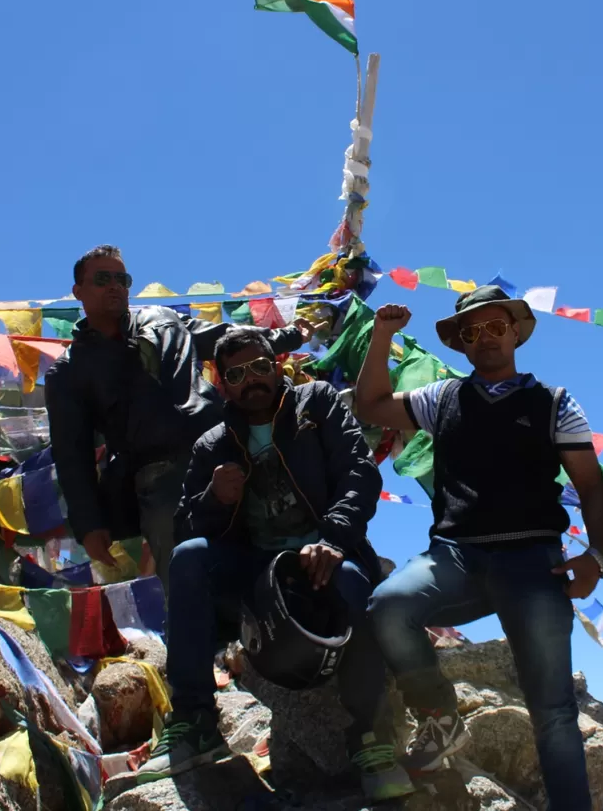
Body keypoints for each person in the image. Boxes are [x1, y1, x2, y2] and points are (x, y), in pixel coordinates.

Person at [353, 285, 603, 809]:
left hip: (532, 562)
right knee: (388, 606)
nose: (486, 338)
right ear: (461, 344)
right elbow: (373, 405)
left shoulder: (554, 403)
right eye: (472, 332)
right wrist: (381, 334)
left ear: (516, 331)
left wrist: (598, 557)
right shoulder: (442, 398)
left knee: (554, 710)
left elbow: (589, 483)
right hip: (454, 555)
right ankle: (439, 716)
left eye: (496, 326)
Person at [146, 327, 414, 800]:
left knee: (354, 586)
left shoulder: (318, 404)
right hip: (256, 575)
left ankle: (371, 739)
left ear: (278, 365)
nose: (252, 380)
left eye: (260, 367)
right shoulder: (213, 443)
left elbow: (360, 472)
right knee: (189, 558)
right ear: (222, 382)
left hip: (325, 561)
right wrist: (214, 500)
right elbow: (187, 526)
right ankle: (194, 721)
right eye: (237, 373)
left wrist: (333, 539)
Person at [45, 245, 310, 592]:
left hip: (226, 449)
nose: (114, 286)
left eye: (121, 279)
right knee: (190, 583)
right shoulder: (68, 370)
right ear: (78, 290)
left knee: (275, 556)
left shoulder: (163, 318)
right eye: (102, 278)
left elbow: (230, 339)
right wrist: (88, 523)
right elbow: (71, 453)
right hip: (162, 479)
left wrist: (290, 335)